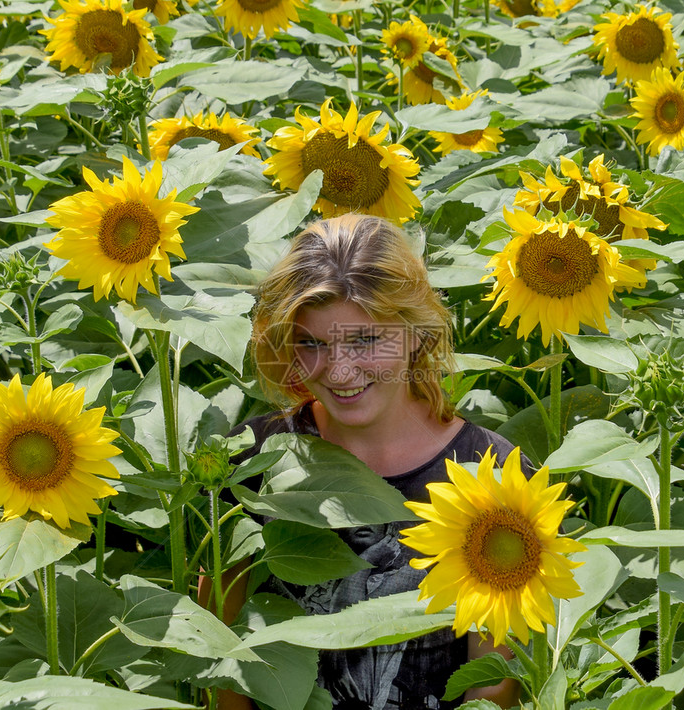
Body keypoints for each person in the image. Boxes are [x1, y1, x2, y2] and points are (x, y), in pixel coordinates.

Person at [222, 213, 525, 709]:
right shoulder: (255, 459)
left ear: (415, 333)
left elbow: (492, 681)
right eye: (311, 343)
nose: (338, 371)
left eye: (365, 340)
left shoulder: (488, 471)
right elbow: (227, 659)